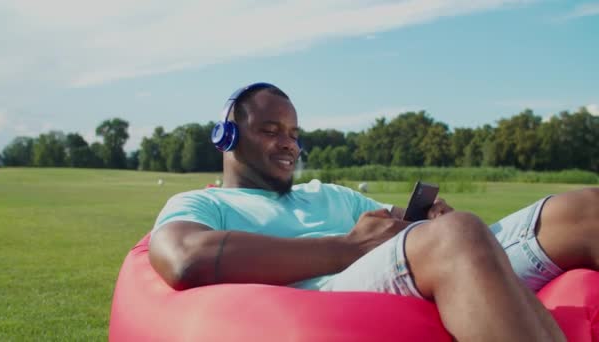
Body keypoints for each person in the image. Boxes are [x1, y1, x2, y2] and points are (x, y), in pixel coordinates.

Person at [149, 82, 599, 341]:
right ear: (226, 138)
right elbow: (185, 257)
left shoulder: (331, 194)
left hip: (433, 267)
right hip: (329, 299)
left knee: (585, 209)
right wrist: (348, 247)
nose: (288, 143)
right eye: (270, 130)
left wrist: (431, 220)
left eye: (292, 132)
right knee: (458, 234)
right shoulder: (204, 203)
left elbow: (405, 233)